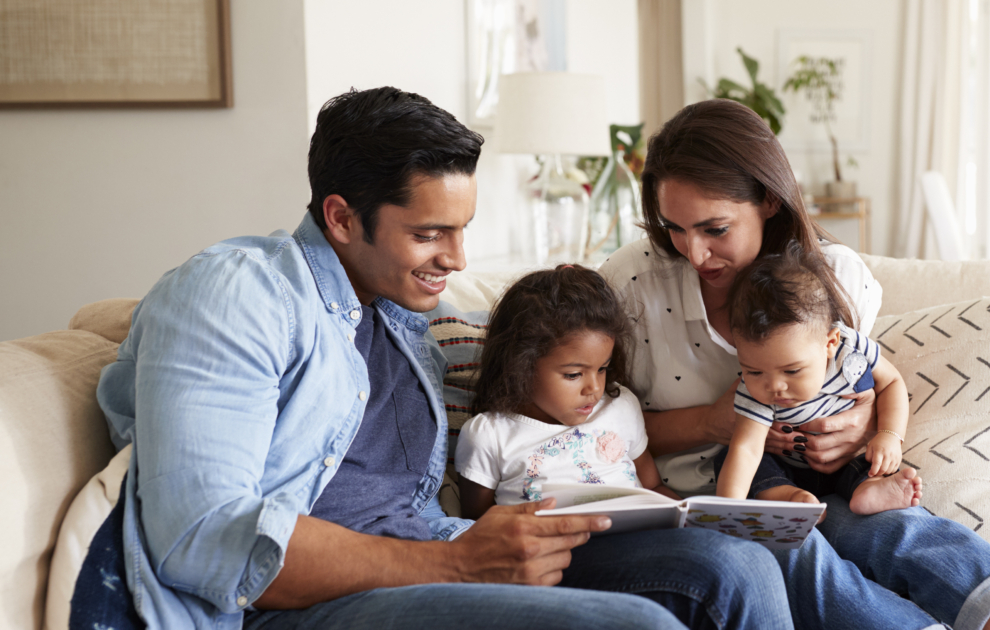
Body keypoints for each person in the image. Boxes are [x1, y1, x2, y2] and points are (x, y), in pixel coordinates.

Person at [86, 87, 793, 630]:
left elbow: (546, 347)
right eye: (430, 233)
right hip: (302, 606)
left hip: (439, 552)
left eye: (461, 230)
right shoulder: (235, 294)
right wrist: (457, 563)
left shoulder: (402, 313)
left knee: (735, 567)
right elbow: (204, 538)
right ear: (340, 218)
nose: (455, 260)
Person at [599, 98, 990, 630]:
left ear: (767, 200)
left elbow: (860, 385)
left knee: (898, 531)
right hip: (704, 501)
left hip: (828, 486)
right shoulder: (633, 283)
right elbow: (588, 426)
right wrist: (712, 422)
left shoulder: (832, 277)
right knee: (789, 549)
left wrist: (861, 429)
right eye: (673, 227)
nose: (693, 253)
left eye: (715, 229)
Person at [454, 265, 678, 516]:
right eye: (573, 375)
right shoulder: (489, 435)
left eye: (603, 368)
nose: (594, 388)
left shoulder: (621, 405)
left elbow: (653, 486)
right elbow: (478, 525)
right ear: (520, 366)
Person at [716, 244, 922, 515]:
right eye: (754, 371)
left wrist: (889, 435)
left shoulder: (849, 353)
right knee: (729, 459)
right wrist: (726, 513)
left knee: (873, 461)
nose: (774, 386)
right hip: (789, 469)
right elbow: (746, 449)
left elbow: (891, 382)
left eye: (792, 371)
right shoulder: (754, 392)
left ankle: (868, 490)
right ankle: (787, 496)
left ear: (830, 343)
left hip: (847, 460)